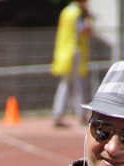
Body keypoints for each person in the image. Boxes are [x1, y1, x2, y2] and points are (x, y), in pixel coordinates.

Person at [50, 0, 92, 128]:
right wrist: (89, 22)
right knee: (78, 84)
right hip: (74, 50)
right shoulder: (77, 13)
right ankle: (81, 114)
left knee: (66, 83)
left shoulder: (66, 11)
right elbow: (83, 30)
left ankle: (57, 113)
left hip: (64, 50)